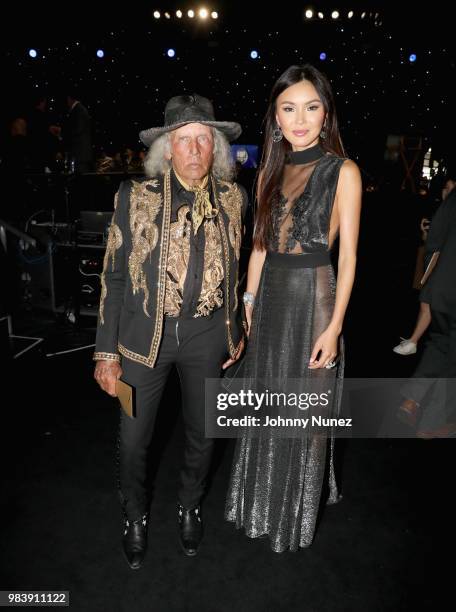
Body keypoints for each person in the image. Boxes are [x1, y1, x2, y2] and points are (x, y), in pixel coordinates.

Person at [93, 94, 247, 569]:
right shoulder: (132, 197)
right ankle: (134, 515)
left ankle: (189, 505)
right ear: (167, 149)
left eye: (204, 139)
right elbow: (113, 276)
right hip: (139, 344)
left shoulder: (234, 198)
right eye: (185, 141)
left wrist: (236, 328)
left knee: (205, 434)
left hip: (208, 339)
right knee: (134, 438)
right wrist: (104, 353)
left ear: (216, 148)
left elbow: (238, 272)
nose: (196, 150)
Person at [224, 64, 362, 552]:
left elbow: (347, 260)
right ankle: (256, 505)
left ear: (326, 114)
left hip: (314, 298)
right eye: (288, 108)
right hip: (270, 300)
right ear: (275, 116)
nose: (299, 118)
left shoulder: (343, 171)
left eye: (310, 107)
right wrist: (247, 301)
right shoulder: (270, 167)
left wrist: (335, 326)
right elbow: (259, 244)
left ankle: (291, 520)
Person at [398, 172, 456, 437]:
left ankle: (411, 401)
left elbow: (435, 238)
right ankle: (434, 422)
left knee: (439, 344)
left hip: (443, 286)